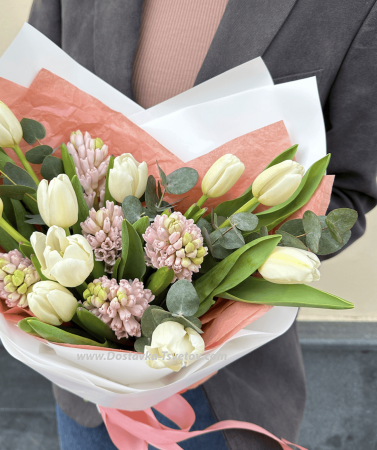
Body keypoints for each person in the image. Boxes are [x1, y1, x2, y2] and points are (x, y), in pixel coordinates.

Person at [29, 1, 377, 448]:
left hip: (225, 394)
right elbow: (38, 109)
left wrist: (218, 269)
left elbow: (349, 187)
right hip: (86, 393)